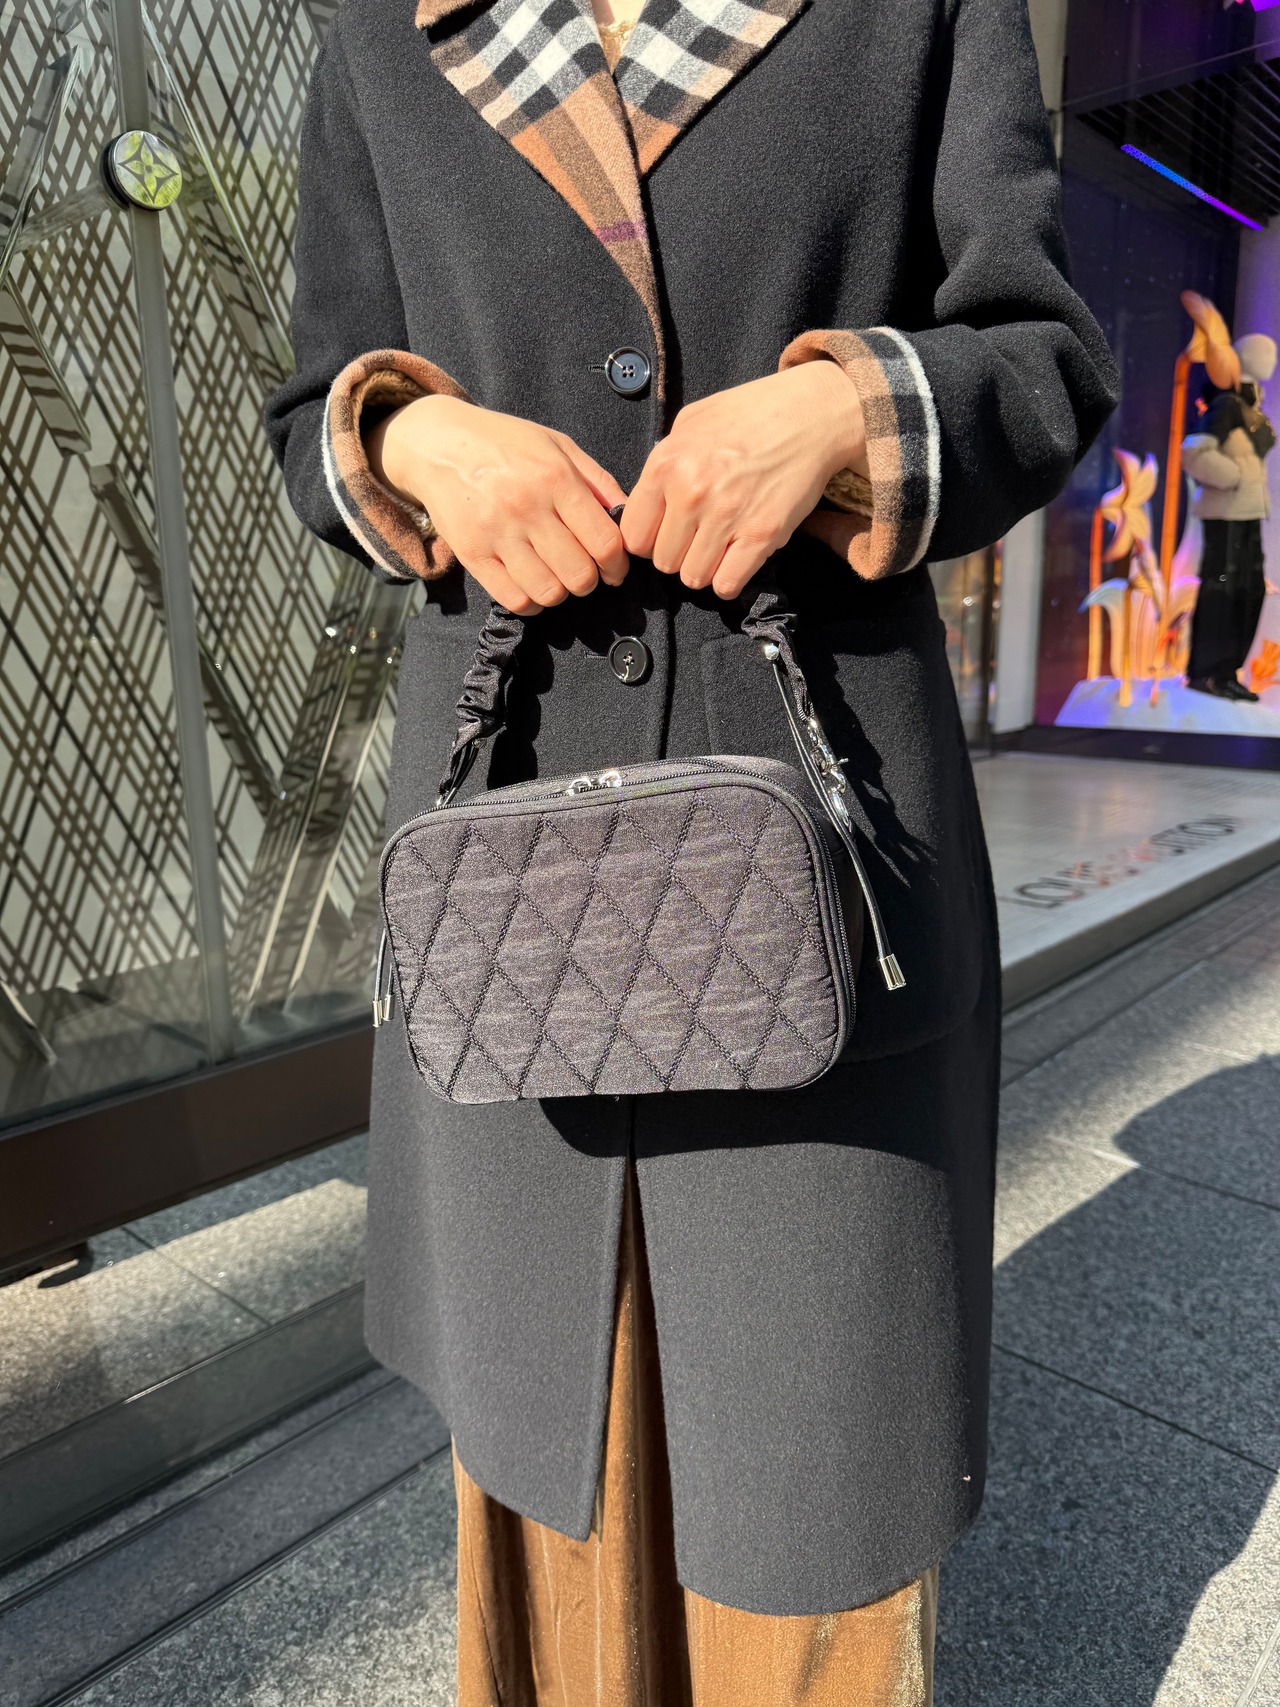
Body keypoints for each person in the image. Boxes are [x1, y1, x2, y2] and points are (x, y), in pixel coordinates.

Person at [265, 0, 1115, 1697]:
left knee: (818, 1492)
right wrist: (418, 439)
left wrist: (845, 416)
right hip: (516, 857)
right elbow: (313, 410)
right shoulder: (384, 30)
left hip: (821, 838)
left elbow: (1044, 355)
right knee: (550, 1462)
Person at [1184, 334, 1277, 702]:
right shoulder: (1226, 406)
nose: (1271, 359)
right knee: (1223, 588)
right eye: (1264, 353)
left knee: (1249, 589)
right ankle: (1209, 672)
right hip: (1226, 516)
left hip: (1247, 513)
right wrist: (1233, 478)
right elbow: (1194, 452)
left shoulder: (1250, 407)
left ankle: (1226, 671)